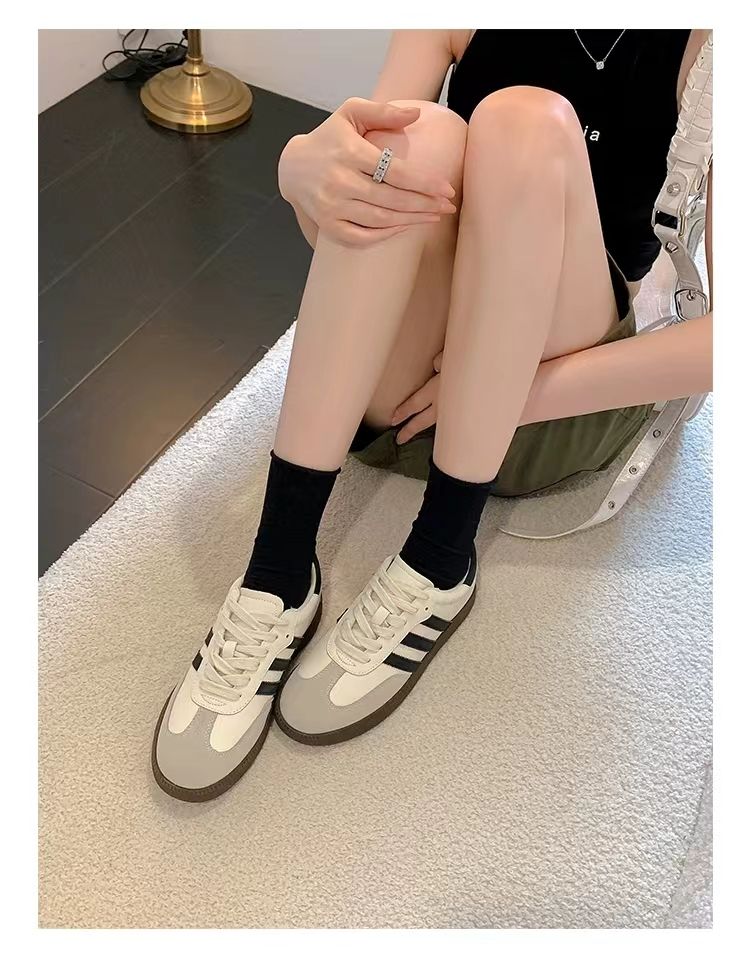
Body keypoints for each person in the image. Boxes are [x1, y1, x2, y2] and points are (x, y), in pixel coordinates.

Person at [152, 29, 713, 801]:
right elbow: (350, 203)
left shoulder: (705, 42)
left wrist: (499, 384)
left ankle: (440, 556)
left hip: (548, 404)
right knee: (413, 142)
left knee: (525, 122)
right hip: (407, 392)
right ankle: (277, 574)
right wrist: (299, 167)